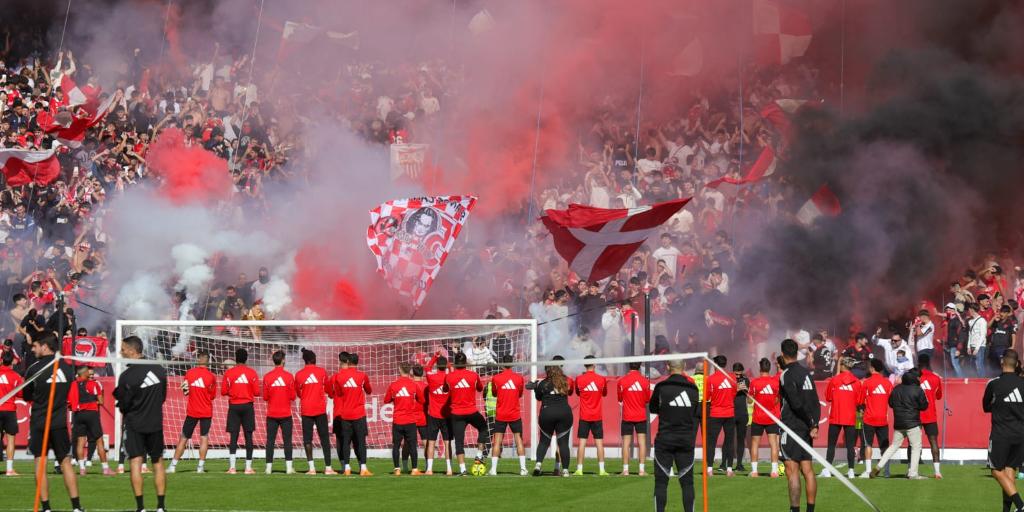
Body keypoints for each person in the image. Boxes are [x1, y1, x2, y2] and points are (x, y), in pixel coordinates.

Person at [23, 333, 82, 512]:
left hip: (41, 422)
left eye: (35, 346)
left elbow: (26, 395)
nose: (32, 349)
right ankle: (76, 507)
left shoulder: (34, 369)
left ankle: (46, 507)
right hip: (59, 423)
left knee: (40, 463)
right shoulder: (67, 367)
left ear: (45, 346)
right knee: (66, 462)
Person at [114, 335, 168, 512]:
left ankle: (141, 508)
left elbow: (123, 405)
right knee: (158, 463)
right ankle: (160, 507)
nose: (121, 353)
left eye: (123, 349)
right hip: (155, 424)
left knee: (136, 463)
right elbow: (163, 397)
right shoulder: (159, 370)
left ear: (132, 350)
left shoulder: (126, 376)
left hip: (135, 425)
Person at [650, 358, 700, 512]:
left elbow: (652, 408)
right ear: (684, 367)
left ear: (667, 367)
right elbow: (695, 413)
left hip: (665, 440)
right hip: (685, 441)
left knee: (661, 483)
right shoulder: (693, 388)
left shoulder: (661, 386)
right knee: (687, 483)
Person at [779, 338, 820, 512]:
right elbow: (815, 402)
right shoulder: (806, 373)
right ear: (797, 353)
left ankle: (795, 509)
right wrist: (814, 424)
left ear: (782, 354)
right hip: (806, 427)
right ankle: (810, 509)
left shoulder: (786, 375)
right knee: (808, 469)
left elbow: (795, 403)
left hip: (792, 426)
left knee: (792, 469)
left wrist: (811, 423)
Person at [982, 349, 1024, 512]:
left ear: (1002, 362)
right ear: (1016, 364)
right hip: (1020, 434)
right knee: (1009, 471)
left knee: (995, 471)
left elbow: (985, 407)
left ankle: (1020, 505)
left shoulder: (994, 384)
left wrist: (999, 405)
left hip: (1001, 434)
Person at [872, 369, 927, 479]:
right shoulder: (918, 390)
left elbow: (891, 403)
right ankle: (913, 473)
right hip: (913, 423)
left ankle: (878, 466)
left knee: (893, 446)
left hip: (899, 423)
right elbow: (924, 406)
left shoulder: (896, 389)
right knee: (916, 447)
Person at [169, 350, 216, 474]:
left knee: (183, 438)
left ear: (198, 360)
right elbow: (212, 396)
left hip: (192, 411)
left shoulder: (189, 373)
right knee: (204, 438)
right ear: (207, 361)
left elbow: (185, 391)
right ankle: (200, 467)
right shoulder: (211, 376)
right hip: (206, 411)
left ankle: (173, 466)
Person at [444, 352, 489, 476]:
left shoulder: (449, 377)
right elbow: (480, 388)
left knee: (459, 441)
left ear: (455, 363)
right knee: (484, 427)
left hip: (456, 413)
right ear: (466, 363)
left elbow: (445, 389)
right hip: (471, 411)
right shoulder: (473, 375)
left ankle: (463, 470)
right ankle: (479, 455)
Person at [329, 351, 373, 476]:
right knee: (360, 441)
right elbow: (369, 391)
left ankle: (346, 467)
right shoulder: (362, 376)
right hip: (358, 414)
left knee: (345, 442)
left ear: (348, 362)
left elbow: (337, 393)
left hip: (345, 414)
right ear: (357, 362)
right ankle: (363, 468)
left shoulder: (338, 376)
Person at [529, 361, 574, 477]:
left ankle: (538, 465)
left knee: (544, 441)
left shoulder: (543, 383)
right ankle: (565, 470)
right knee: (563, 443)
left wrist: (535, 387)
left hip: (547, 413)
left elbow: (538, 397)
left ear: (547, 371)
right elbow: (570, 391)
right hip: (564, 413)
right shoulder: (565, 382)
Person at [294, 348, 335, 475]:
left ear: (305, 361)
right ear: (314, 359)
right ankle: (328, 468)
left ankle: (311, 468)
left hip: (306, 410)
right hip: (319, 409)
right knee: (324, 439)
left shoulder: (299, 374)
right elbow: (328, 389)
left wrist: (307, 396)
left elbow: (298, 393)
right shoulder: (322, 372)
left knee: (307, 439)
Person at [821, 357, 862, 479]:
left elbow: (828, 397)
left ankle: (828, 469)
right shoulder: (857, 382)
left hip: (836, 416)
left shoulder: (834, 380)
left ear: (843, 366)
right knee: (850, 446)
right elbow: (859, 401)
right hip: (851, 418)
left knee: (831, 445)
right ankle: (851, 471)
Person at [222, 347, 260, 474]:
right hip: (247, 406)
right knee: (248, 436)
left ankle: (232, 467)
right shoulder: (252, 373)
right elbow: (256, 392)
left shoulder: (229, 373)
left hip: (234, 406)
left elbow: (223, 391)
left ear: (235, 358)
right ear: (246, 359)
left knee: (234, 436)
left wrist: (234, 390)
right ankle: (248, 467)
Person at [488, 354, 527, 476]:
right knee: (519, 440)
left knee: (497, 441)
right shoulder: (519, 378)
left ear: (502, 364)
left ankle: (493, 470)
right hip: (514, 414)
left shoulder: (496, 378)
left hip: (501, 414)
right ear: (513, 364)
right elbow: (520, 394)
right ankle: (523, 469)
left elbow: (494, 394)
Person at [68, 366, 111, 475]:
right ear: (85, 373)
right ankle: (105, 468)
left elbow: (69, 403)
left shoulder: (73, 384)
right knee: (99, 441)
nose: (91, 374)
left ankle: (82, 469)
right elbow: (100, 401)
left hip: (77, 415)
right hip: (91, 413)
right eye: (89, 372)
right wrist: (90, 403)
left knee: (80, 442)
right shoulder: (93, 384)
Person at [383, 362, 424, 475]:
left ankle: (397, 469)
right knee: (412, 445)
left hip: (398, 420)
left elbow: (386, 400)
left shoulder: (394, 385)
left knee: (396, 445)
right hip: (410, 420)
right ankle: (414, 469)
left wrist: (396, 398)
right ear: (409, 371)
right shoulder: (413, 385)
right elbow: (422, 400)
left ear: (400, 370)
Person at [574, 355, 609, 476]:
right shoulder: (601, 379)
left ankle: (579, 469)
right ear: (594, 365)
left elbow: (578, 393)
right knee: (599, 443)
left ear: (585, 365)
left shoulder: (579, 379)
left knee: (582, 443)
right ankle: (602, 470)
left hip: (584, 416)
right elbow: (604, 393)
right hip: (597, 416)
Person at [263, 350, 297, 474]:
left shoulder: (267, 377)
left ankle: (268, 468)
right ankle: (288, 468)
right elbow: (293, 396)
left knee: (270, 441)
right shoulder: (288, 376)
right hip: (285, 414)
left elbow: (265, 397)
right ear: (283, 360)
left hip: (271, 414)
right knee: (287, 441)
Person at [859, 359, 893, 478]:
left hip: (869, 418)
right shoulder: (888, 383)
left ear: (872, 368)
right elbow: (891, 401)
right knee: (885, 447)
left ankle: (868, 471)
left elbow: (860, 401)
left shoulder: (866, 383)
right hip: (883, 419)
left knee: (868, 445)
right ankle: (887, 472)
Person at [704, 355, 737, 476]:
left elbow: (707, 397)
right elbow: (734, 394)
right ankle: (729, 470)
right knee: (729, 441)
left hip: (715, 413)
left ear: (715, 365)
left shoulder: (711, 379)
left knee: (711, 441)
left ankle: (709, 469)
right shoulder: (732, 377)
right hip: (729, 413)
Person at [748, 358, 780, 478]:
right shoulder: (775, 383)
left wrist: (750, 395)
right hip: (771, 417)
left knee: (755, 444)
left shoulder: (755, 383)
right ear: (769, 368)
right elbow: (777, 399)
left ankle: (755, 471)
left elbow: (750, 401)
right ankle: (774, 471)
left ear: (760, 368)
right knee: (773, 444)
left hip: (758, 418)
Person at [618, 361, 652, 476]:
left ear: (629, 366)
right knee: (642, 443)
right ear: (639, 366)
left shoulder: (622, 381)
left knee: (626, 443)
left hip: (627, 415)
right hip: (641, 415)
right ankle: (641, 470)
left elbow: (620, 398)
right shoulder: (645, 381)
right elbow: (647, 399)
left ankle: (625, 470)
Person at [424, 355, 454, 475]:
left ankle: (429, 469)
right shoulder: (450, 377)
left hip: (433, 415)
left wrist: (435, 357)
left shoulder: (431, 377)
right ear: (445, 366)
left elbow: (427, 368)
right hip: (446, 415)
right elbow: (452, 370)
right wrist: (448, 364)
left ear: (437, 365)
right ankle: (449, 469)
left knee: (431, 442)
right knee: (447, 443)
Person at [916, 353, 943, 479]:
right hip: (931, 414)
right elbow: (938, 396)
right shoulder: (936, 378)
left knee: (914, 443)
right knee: (933, 442)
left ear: (919, 363)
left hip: (916, 414)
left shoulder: (915, 378)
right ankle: (937, 472)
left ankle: (912, 470)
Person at [0, 349, 23, 475]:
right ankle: (9, 469)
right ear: (12, 362)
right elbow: (20, 393)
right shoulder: (15, 376)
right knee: (11, 439)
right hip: (9, 410)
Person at [731, 362, 750, 472]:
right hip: (731, 412)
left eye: (739, 374)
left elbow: (746, 391)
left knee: (740, 439)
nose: (737, 377)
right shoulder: (729, 379)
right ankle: (726, 464)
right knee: (729, 439)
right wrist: (735, 388)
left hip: (742, 413)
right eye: (736, 374)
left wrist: (740, 388)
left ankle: (739, 464)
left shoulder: (745, 380)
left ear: (742, 372)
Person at [943, 303, 967, 377]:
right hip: (950, 345)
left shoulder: (957, 321)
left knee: (955, 363)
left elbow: (961, 334)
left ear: (954, 310)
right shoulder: (950, 320)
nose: (948, 311)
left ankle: (961, 379)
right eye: (947, 310)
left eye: (949, 309)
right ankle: (959, 378)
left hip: (955, 345)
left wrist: (958, 348)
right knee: (953, 363)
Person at [967, 302, 990, 377]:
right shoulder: (970, 321)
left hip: (980, 346)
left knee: (979, 364)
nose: (968, 311)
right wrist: (968, 347)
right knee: (972, 365)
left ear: (972, 310)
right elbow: (970, 334)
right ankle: (975, 380)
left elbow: (983, 335)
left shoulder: (982, 321)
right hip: (972, 346)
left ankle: (982, 381)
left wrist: (977, 348)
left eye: (969, 309)